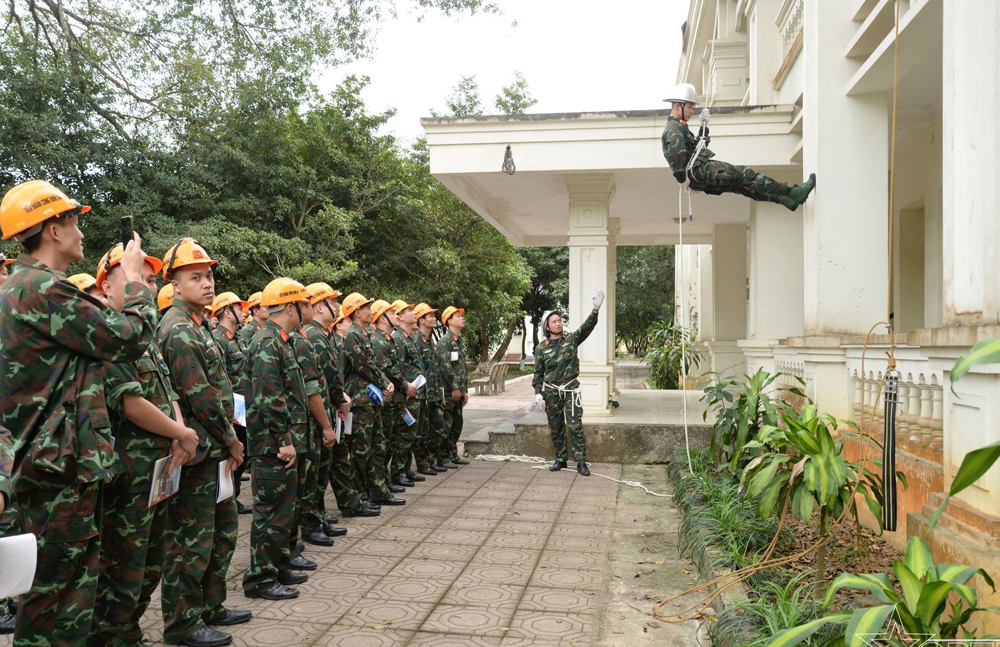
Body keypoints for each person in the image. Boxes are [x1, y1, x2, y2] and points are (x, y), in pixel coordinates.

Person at [0, 179, 157, 647]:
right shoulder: (43, 289)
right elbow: (129, 336)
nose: (81, 232)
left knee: (62, 598)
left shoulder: (27, 286)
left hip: (55, 466)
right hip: (56, 472)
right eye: (74, 221)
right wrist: (131, 278)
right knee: (57, 603)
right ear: (52, 229)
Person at [90, 243, 202, 647]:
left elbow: (168, 390)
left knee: (151, 564)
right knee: (124, 567)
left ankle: (129, 631)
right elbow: (132, 403)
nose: (148, 286)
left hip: (159, 469)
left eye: (152, 280)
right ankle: (114, 635)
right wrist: (180, 434)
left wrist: (179, 432)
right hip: (129, 476)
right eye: (138, 278)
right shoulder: (108, 331)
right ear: (106, 286)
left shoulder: (144, 334)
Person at [157, 238, 249, 647]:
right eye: (195, 277)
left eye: (209, 275)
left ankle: (210, 606)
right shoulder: (177, 330)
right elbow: (202, 398)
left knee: (222, 533)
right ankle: (182, 624)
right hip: (199, 453)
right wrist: (232, 441)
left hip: (214, 451)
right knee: (190, 544)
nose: (207, 283)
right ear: (175, 285)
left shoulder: (199, 324)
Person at [242, 278, 314, 601]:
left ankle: (279, 566)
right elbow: (270, 397)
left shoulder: (280, 340)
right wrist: (285, 440)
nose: (305, 310)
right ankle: (260, 578)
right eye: (302, 304)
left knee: (284, 511)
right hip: (273, 446)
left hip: (283, 443)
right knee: (270, 513)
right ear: (291, 307)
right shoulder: (268, 342)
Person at [662, 83, 815, 211]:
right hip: (699, 172)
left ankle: (784, 200)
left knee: (741, 186)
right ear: (677, 106)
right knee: (746, 175)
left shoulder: (678, 127)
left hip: (696, 174)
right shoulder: (674, 129)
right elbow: (678, 159)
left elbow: (693, 152)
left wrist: (703, 129)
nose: (692, 111)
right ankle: (792, 192)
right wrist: (682, 180)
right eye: (689, 107)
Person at [305, 284, 378, 519]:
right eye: (332, 302)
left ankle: (348, 504)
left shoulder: (324, 334)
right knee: (320, 469)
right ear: (319, 307)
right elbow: (324, 376)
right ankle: (315, 517)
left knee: (336, 461)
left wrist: (340, 400)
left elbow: (333, 373)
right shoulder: (315, 335)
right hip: (324, 410)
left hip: (333, 408)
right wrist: (340, 399)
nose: (337, 306)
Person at [532, 291, 606, 477]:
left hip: (571, 389)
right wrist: (538, 392)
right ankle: (561, 459)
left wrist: (595, 310)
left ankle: (581, 462)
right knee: (555, 426)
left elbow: (587, 327)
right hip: (551, 392)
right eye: (554, 321)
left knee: (575, 426)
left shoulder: (571, 339)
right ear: (547, 327)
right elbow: (538, 373)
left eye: (559, 320)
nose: (558, 323)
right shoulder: (541, 348)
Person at [287, 295, 341, 549]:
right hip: (307, 420)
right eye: (333, 301)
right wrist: (326, 424)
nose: (339, 306)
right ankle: (310, 524)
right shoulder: (307, 338)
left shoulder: (310, 335)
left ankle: (316, 518)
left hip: (318, 414)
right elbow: (313, 386)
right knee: (311, 476)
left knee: (318, 473)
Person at [340, 293, 402, 507]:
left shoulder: (363, 333)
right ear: (357, 312)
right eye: (367, 306)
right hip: (360, 401)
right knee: (361, 451)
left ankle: (378, 491)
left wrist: (383, 383)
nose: (371, 310)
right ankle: (360, 496)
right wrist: (385, 383)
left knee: (377, 447)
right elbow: (363, 365)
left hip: (370, 400)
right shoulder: (352, 335)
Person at [212, 292, 253, 516]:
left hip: (244, 408)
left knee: (242, 455)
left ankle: (233, 496)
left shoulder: (238, 338)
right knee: (232, 455)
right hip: (232, 409)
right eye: (239, 309)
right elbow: (221, 378)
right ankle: (226, 498)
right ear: (227, 312)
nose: (243, 312)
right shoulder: (218, 339)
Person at [369, 300, 411, 495]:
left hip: (396, 400)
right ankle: (379, 484)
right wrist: (404, 385)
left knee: (390, 443)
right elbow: (387, 369)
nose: (396, 315)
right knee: (382, 445)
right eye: (392, 313)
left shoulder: (388, 339)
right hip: (387, 401)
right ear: (382, 317)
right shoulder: (377, 341)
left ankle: (384, 481)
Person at [389, 301, 428, 485]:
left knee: (412, 434)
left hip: (416, 393)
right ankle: (397, 473)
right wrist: (405, 387)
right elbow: (398, 368)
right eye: (409, 311)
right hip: (407, 394)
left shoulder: (408, 337)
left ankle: (405, 469)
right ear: (400, 316)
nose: (413, 313)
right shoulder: (398, 338)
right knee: (404, 435)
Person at [413, 303, 448, 473]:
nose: (434, 319)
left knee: (438, 428)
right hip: (424, 394)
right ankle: (423, 463)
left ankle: (432, 459)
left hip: (434, 393)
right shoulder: (416, 341)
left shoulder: (429, 340)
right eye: (431, 316)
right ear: (421, 320)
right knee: (423, 432)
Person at [437, 306, 470, 467]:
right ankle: (443, 457)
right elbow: (445, 367)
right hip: (450, 392)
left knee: (457, 424)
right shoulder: (445, 342)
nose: (462, 318)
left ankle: (452, 454)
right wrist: (454, 388)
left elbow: (462, 368)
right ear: (449, 321)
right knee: (447, 425)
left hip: (459, 391)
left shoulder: (459, 340)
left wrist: (465, 390)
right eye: (458, 316)